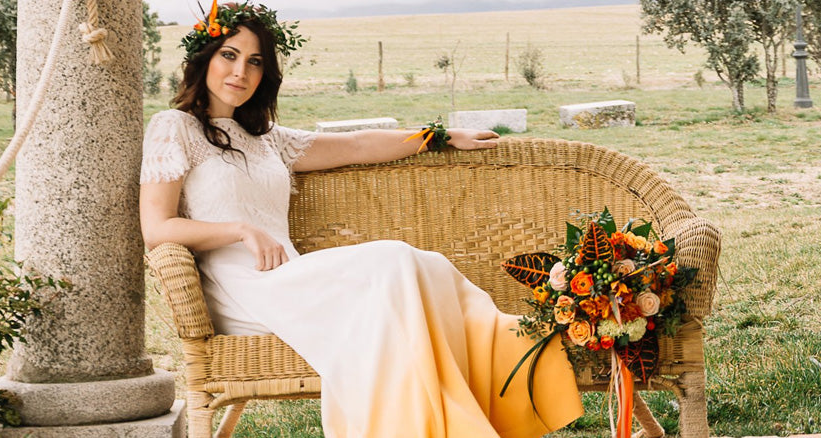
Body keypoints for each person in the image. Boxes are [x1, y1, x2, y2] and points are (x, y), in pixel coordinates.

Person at [139, 2, 583, 436]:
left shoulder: (265, 140)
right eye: (229, 56)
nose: (241, 73)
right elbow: (157, 228)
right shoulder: (173, 127)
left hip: (292, 277)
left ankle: (472, 397)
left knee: (420, 264)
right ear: (205, 59)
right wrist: (240, 229)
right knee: (393, 260)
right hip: (245, 289)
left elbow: (354, 145)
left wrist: (439, 136)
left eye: (255, 62)